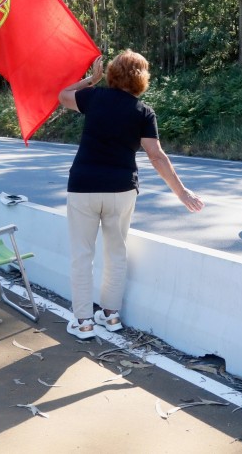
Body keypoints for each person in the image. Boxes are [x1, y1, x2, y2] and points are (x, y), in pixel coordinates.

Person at [58, 50, 204, 340]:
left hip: (84, 186)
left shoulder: (93, 97)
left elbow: (62, 95)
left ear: (112, 73)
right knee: (116, 253)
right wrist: (181, 191)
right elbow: (157, 156)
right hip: (121, 190)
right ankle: (111, 315)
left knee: (82, 256)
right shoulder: (143, 111)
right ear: (142, 79)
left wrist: (91, 79)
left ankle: (84, 322)